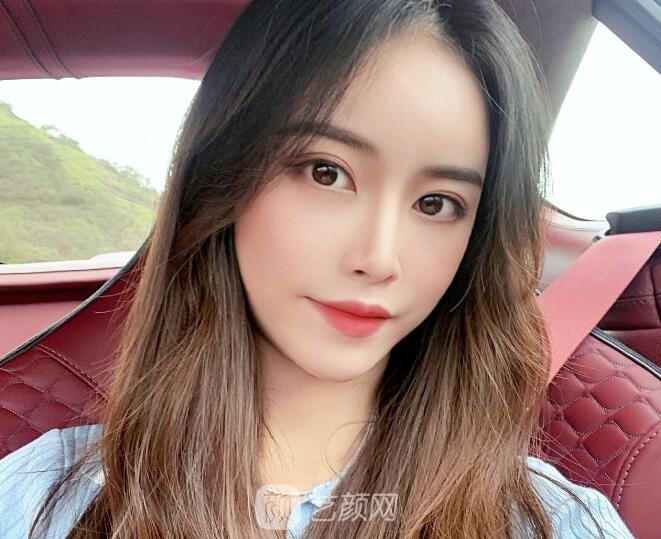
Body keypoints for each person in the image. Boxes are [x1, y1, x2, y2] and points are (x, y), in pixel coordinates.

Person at [0, 0, 636, 537]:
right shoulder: (41, 498)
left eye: (437, 204)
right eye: (326, 173)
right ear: (223, 176)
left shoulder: (553, 522)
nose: (378, 258)